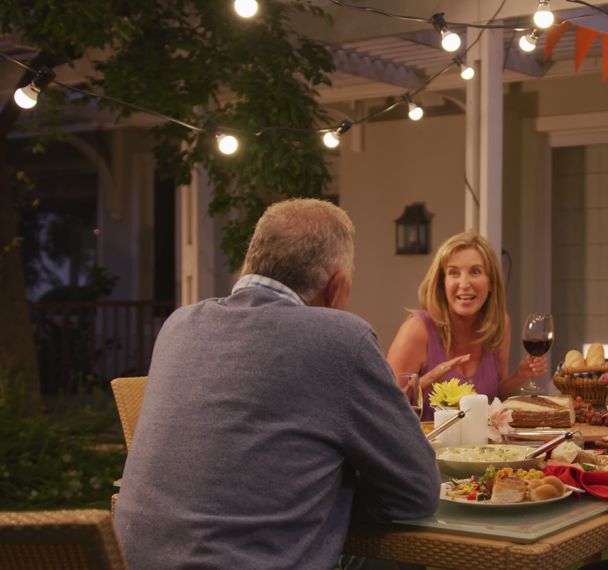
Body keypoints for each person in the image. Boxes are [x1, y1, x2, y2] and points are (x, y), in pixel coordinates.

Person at [113, 199, 440, 569]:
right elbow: (417, 491)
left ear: (251, 263)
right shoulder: (340, 339)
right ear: (337, 288)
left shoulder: (179, 325)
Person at [386, 232, 547, 420]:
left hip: (479, 447)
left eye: (475, 272)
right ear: (442, 283)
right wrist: (427, 381)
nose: (464, 284)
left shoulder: (499, 324)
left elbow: (496, 396)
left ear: (491, 283)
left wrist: (519, 376)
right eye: (454, 273)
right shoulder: (417, 330)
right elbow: (385, 407)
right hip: (424, 447)